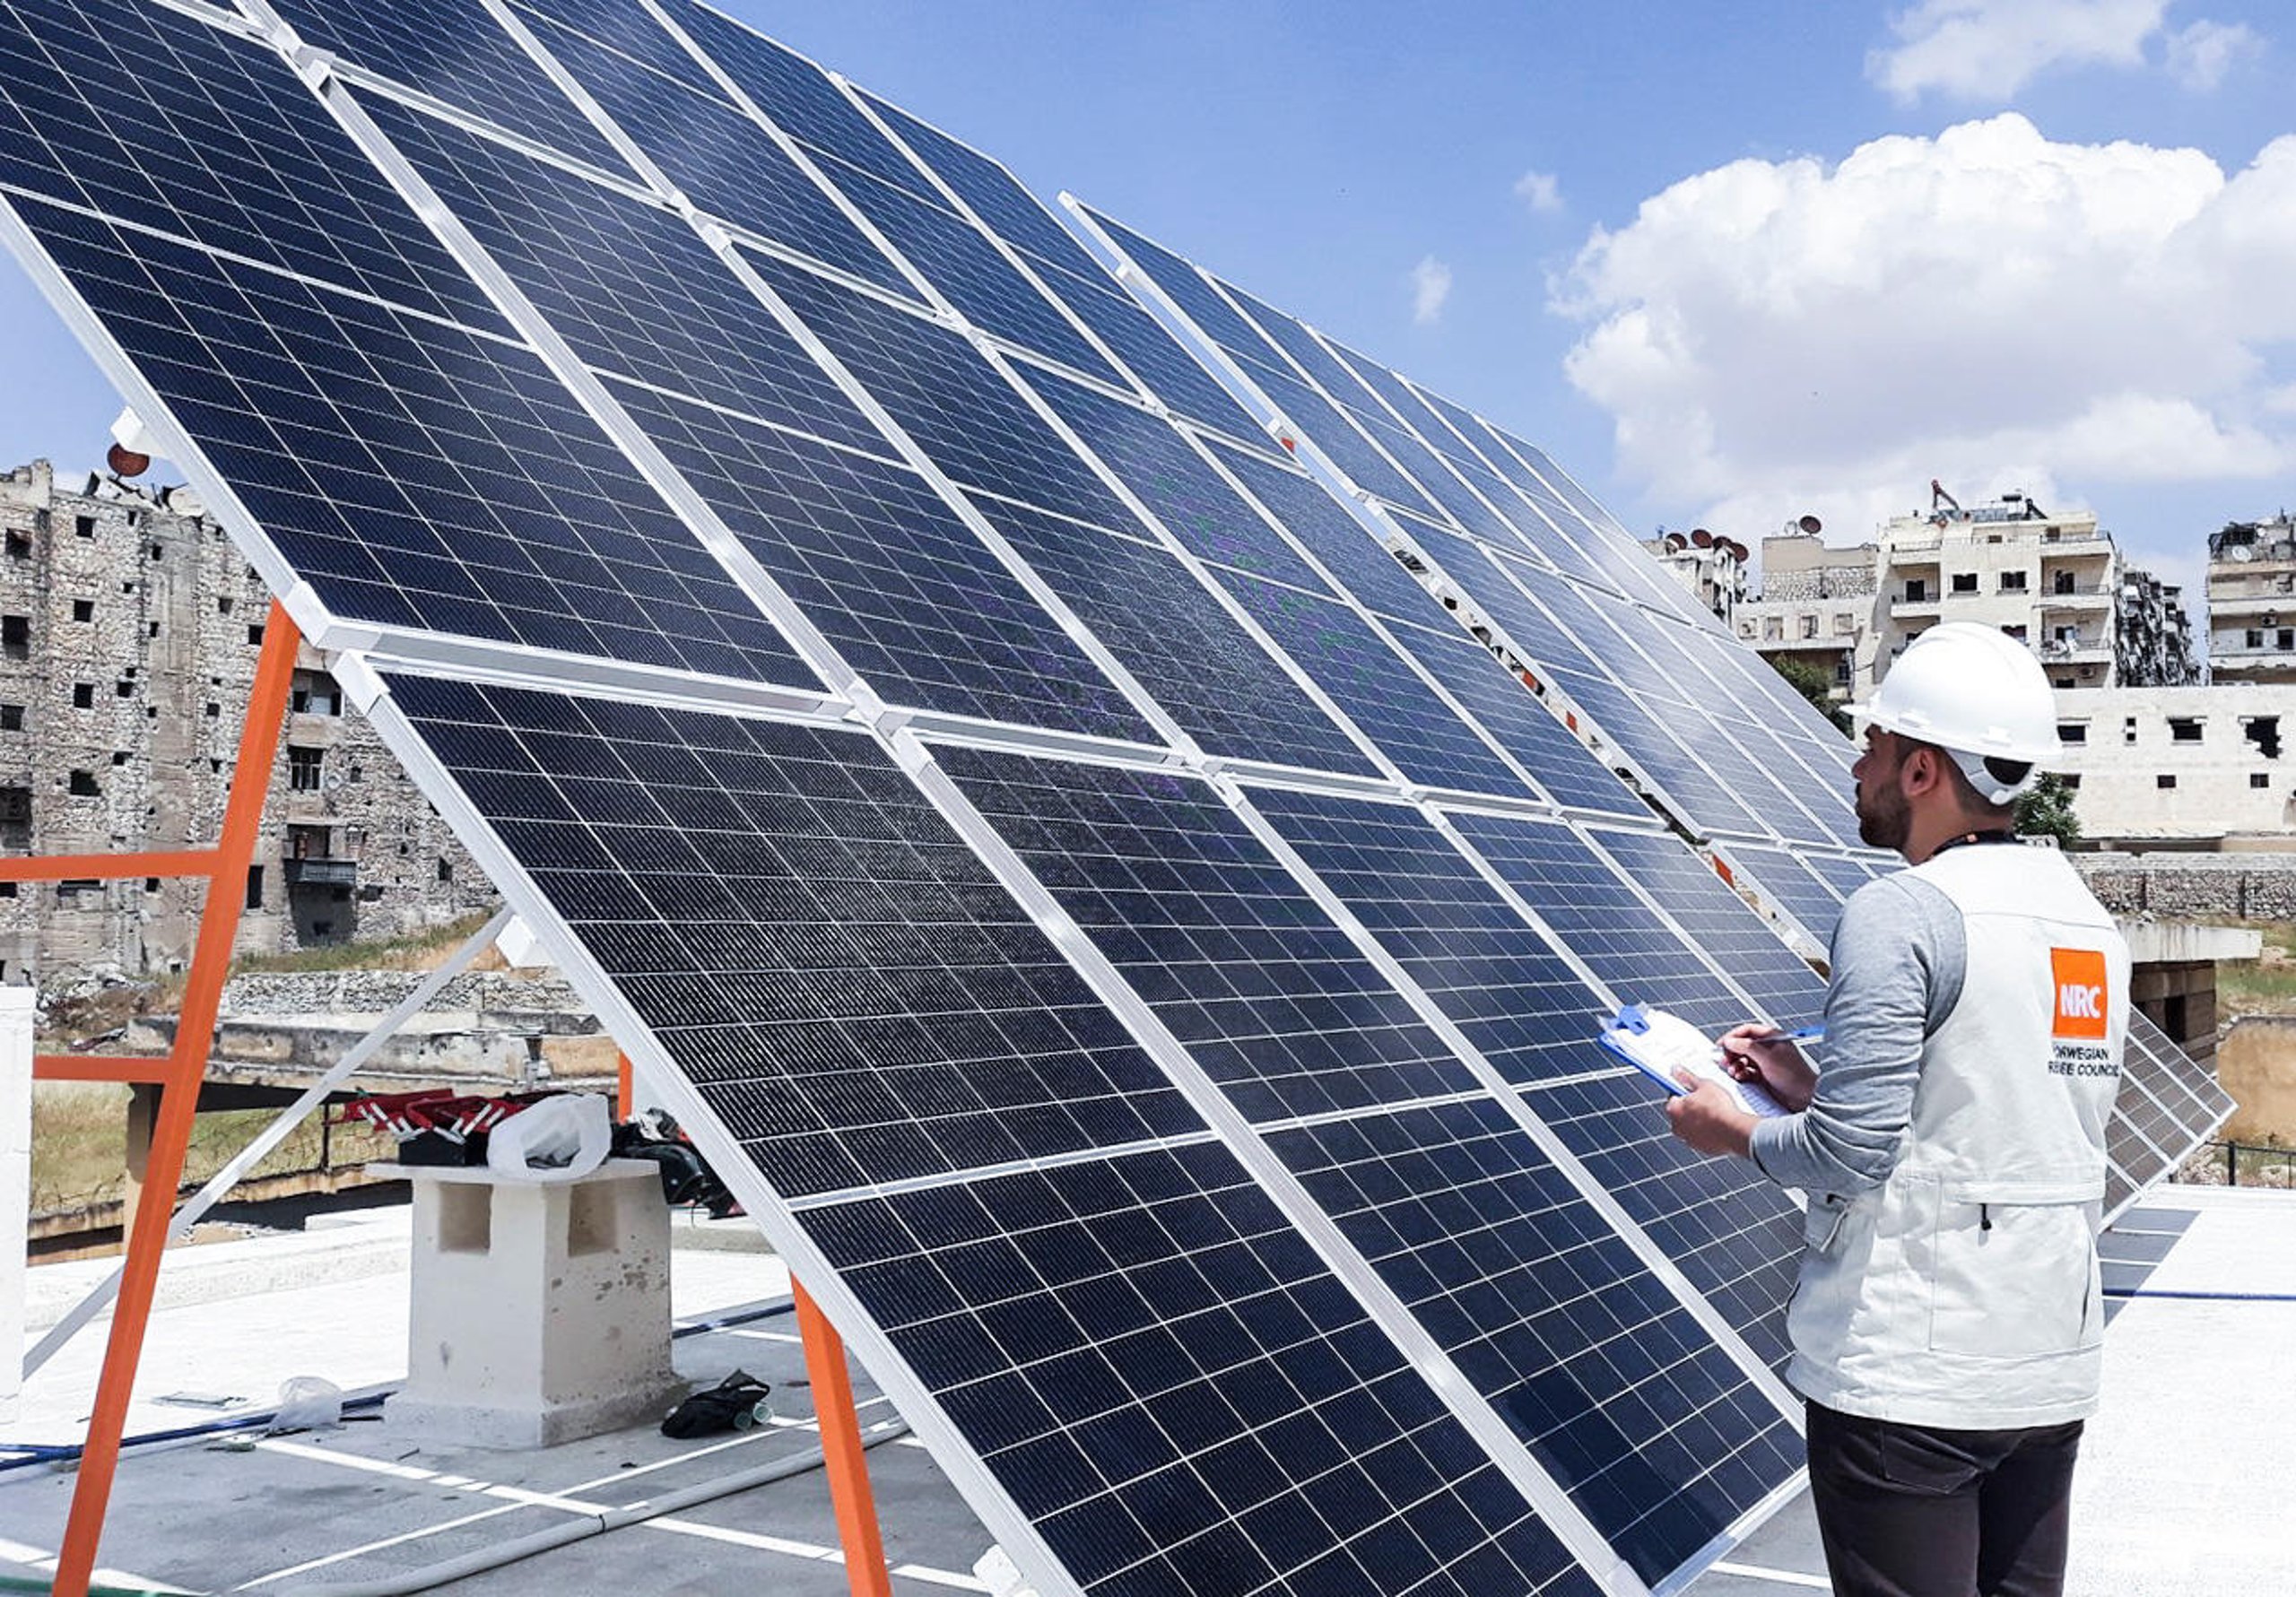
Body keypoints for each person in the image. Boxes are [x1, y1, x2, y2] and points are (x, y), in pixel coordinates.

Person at [1665, 621, 2128, 1597]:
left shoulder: (1902, 910)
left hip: (1910, 1376)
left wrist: (1734, 1126)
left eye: (1873, 744)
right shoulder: (2081, 917)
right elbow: (1988, 1106)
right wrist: (1806, 1083)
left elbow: (1850, 1153)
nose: (1855, 761)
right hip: (2044, 1359)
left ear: (1921, 770)